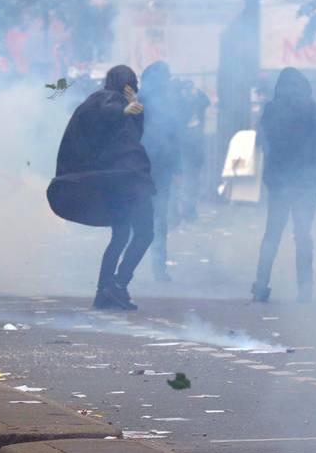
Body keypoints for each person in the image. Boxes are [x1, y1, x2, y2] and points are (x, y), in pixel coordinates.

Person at [53, 65, 155, 310]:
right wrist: (124, 108)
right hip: (126, 179)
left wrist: (133, 108)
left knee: (120, 236)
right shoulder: (108, 98)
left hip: (117, 180)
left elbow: (132, 132)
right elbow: (107, 112)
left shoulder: (118, 100)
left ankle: (104, 291)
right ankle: (118, 285)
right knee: (144, 232)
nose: (132, 86)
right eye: (130, 82)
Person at [252, 68, 316, 303]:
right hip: (305, 183)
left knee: (272, 235)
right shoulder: (310, 108)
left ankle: (260, 286)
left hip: (279, 182)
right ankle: (305, 290)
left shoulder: (271, 109)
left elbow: (262, 142)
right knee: (303, 235)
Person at [140, 61, 186, 282]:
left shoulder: (138, 101)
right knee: (158, 219)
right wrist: (177, 169)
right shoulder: (165, 103)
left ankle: (139, 266)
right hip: (155, 169)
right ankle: (157, 269)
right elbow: (176, 138)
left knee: (142, 217)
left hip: (141, 168)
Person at [178, 81, 210, 223]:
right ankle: (187, 212)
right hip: (185, 149)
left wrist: (197, 92)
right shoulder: (182, 105)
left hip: (195, 149)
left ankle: (189, 211)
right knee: (188, 181)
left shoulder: (196, 102)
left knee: (193, 181)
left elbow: (206, 101)